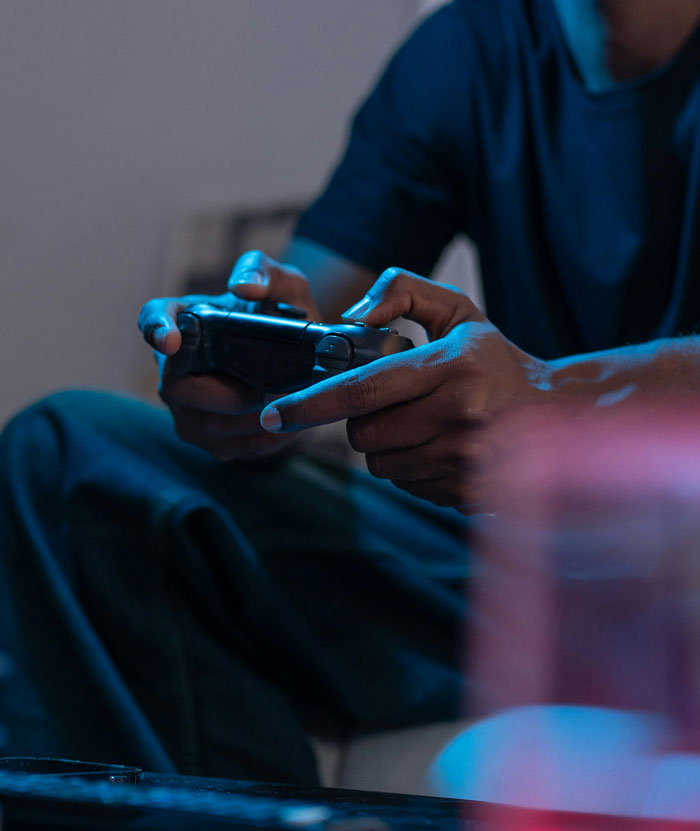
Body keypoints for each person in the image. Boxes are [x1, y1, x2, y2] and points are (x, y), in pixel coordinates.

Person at [2, 0, 700, 784]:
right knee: (69, 456)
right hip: (539, 571)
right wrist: (254, 375)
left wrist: (552, 402)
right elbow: (315, 318)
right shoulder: (470, 51)